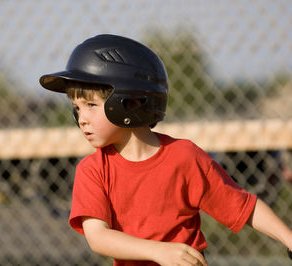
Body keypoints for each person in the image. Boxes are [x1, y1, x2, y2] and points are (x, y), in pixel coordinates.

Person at [39, 34, 292, 266]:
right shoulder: (93, 170)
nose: (81, 118)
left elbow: (243, 207)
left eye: (91, 105)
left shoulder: (184, 157)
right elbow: (98, 238)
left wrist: (288, 238)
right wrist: (160, 251)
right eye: (77, 107)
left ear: (131, 102)